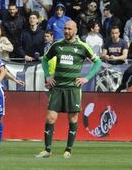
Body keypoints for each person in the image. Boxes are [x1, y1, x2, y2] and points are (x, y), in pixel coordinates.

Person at [36, 20, 102, 159]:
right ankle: (47, 150)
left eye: (69, 29)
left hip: (73, 88)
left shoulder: (83, 47)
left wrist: (87, 78)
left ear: (75, 30)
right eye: (65, 29)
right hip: (58, 87)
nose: (66, 31)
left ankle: (68, 150)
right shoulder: (57, 45)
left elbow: (98, 62)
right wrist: (48, 76)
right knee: (50, 118)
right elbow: (44, 60)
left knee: (72, 119)